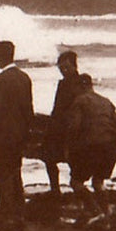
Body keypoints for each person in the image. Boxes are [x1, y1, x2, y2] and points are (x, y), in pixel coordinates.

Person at [0, 40, 34, 214]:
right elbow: (28, 110)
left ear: (1, 56)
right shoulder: (24, 77)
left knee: (2, 177)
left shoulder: (1, 80)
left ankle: (6, 215)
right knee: (15, 174)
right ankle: (19, 212)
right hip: (19, 136)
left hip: (2, 137)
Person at [65, 73, 116, 222]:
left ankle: (95, 211)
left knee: (76, 182)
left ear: (81, 86)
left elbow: (74, 127)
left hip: (91, 148)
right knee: (98, 182)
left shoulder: (80, 101)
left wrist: (68, 148)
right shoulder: (105, 101)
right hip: (109, 147)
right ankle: (106, 213)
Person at [42, 50, 81, 198]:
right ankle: (56, 190)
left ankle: (67, 190)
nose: (63, 71)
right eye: (61, 68)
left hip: (71, 127)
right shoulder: (65, 83)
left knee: (70, 160)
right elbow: (57, 107)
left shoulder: (78, 83)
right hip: (59, 126)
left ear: (74, 65)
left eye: (65, 67)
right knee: (49, 158)